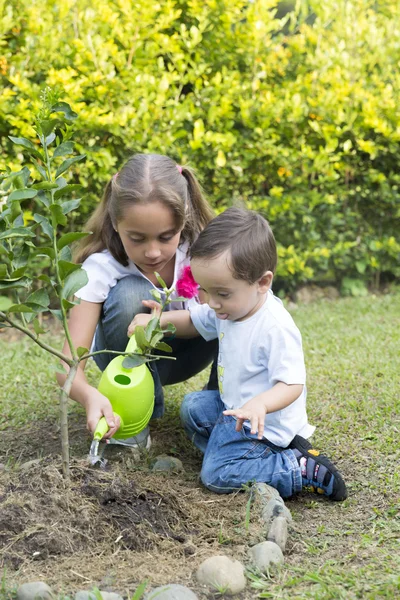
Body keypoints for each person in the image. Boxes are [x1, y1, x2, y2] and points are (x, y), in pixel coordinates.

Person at [130, 207, 347, 500]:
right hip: (237, 409)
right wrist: (159, 321)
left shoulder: (274, 326)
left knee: (214, 475)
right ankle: (239, 459)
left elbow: (292, 384)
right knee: (193, 406)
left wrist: (260, 405)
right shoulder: (229, 310)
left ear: (262, 282)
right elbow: (194, 320)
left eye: (222, 293)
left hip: (266, 426)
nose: (211, 302)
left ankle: (295, 468)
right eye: (205, 290)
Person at [57, 153, 218, 445]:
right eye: (137, 238)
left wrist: (162, 320)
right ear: (116, 223)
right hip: (128, 362)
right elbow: (67, 366)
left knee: (233, 298)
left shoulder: (204, 253)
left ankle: (221, 412)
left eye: (166, 236)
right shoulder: (101, 268)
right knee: (131, 293)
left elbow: (222, 317)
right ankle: (133, 418)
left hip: (190, 354)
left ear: (184, 215)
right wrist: (90, 396)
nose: (153, 252)